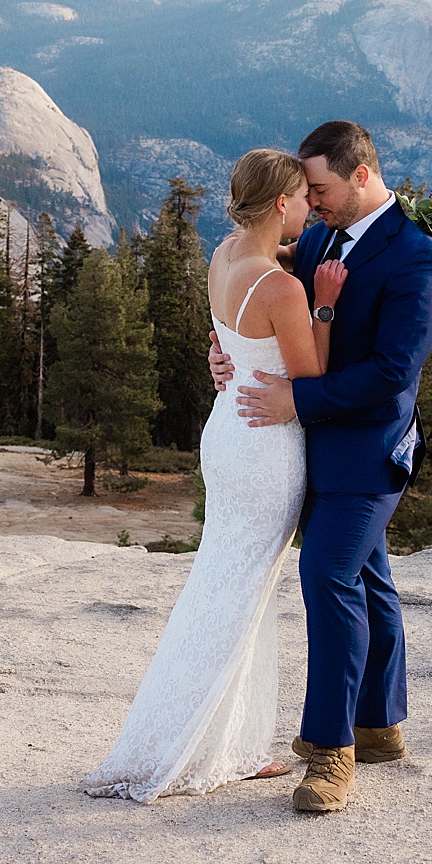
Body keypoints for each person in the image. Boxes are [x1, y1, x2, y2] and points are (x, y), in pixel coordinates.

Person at [81, 148, 348, 802]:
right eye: (302, 201)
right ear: (281, 204)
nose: (311, 210)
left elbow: (228, 337)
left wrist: (222, 353)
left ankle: (238, 743)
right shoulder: (285, 289)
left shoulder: (225, 255)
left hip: (226, 431)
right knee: (245, 598)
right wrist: (328, 304)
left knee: (224, 588)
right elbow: (312, 374)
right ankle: (201, 746)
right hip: (267, 446)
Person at [221, 119, 432, 814]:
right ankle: (379, 727)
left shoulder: (417, 259)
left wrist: (297, 398)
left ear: (360, 175)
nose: (309, 201)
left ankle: (331, 752)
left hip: (368, 448)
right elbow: (273, 305)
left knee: (325, 574)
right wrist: (233, 355)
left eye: (317, 188)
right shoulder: (320, 235)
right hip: (313, 443)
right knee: (367, 577)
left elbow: (392, 374)